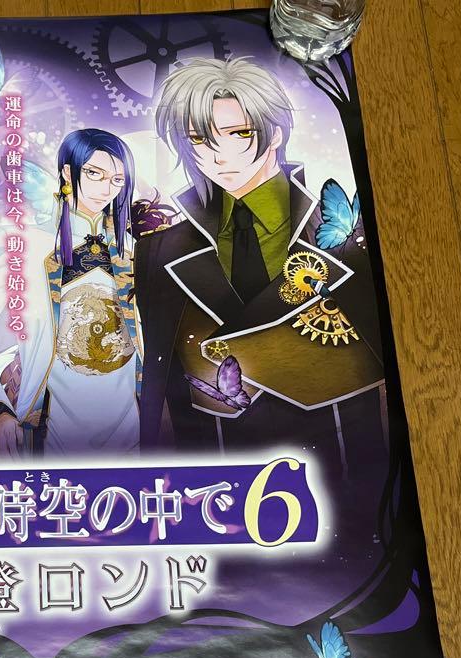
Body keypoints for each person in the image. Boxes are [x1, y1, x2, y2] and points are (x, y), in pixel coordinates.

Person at [133, 57, 384, 480]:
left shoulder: (343, 233)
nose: (219, 155)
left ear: (275, 133)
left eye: (239, 133)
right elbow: (161, 380)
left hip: (339, 459)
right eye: (199, 139)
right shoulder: (160, 250)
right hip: (217, 472)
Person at [0, 128, 142, 458]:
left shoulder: (137, 251)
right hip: (50, 427)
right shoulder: (22, 245)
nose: (105, 189)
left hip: (131, 425)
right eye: (94, 173)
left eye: (116, 179)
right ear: (68, 171)